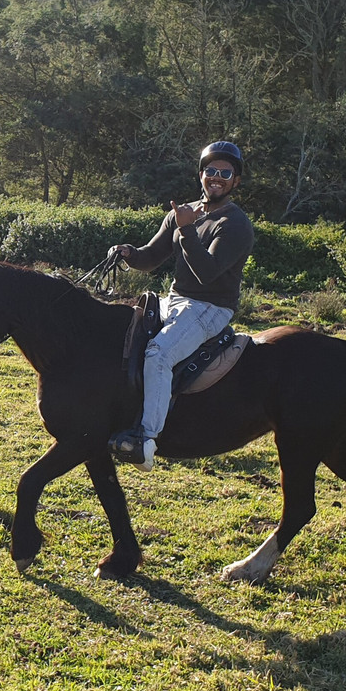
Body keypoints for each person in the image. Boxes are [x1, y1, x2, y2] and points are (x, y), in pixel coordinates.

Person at [108, 141, 255, 471]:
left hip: (210, 307)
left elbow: (207, 273)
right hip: (175, 300)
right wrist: (130, 253)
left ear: (236, 181)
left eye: (225, 172)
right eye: (211, 171)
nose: (216, 177)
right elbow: (150, 258)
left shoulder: (234, 224)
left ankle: (146, 440)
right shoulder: (183, 214)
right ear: (201, 175)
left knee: (159, 353)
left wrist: (186, 228)